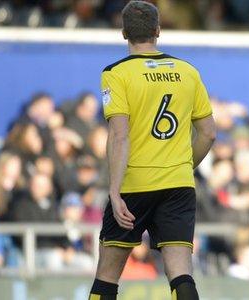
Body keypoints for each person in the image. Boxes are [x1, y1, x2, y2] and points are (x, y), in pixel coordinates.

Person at [89, 1, 216, 299]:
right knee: (181, 273)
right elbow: (209, 133)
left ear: (124, 33)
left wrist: (115, 190)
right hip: (178, 185)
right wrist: (183, 167)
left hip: (135, 183)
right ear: (158, 31)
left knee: (107, 276)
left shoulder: (116, 73)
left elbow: (119, 135)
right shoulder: (188, 71)